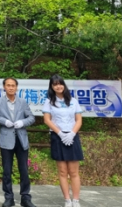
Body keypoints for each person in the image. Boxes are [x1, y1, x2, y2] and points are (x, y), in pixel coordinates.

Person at [0, 78, 36, 207]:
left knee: (24, 170)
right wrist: (4, 121)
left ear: (16, 87)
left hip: (21, 139)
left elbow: (31, 117)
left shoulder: (22, 101)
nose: (10, 87)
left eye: (13, 85)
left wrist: (23, 122)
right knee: (7, 171)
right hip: (6, 140)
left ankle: (25, 197)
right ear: (4, 87)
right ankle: (9, 197)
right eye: (8, 85)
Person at [42, 75, 84, 207]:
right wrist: (60, 133)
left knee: (74, 172)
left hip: (72, 136)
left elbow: (79, 120)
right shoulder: (49, 102)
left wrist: (72, 133)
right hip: (57, 137)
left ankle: (76, 200)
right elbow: (47, 120)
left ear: (64, 85)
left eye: (60, 84)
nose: (58, 86)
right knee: (62, 171)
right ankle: (67, 199)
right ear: (51, 87)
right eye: (55, 84)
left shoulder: (73, 101)